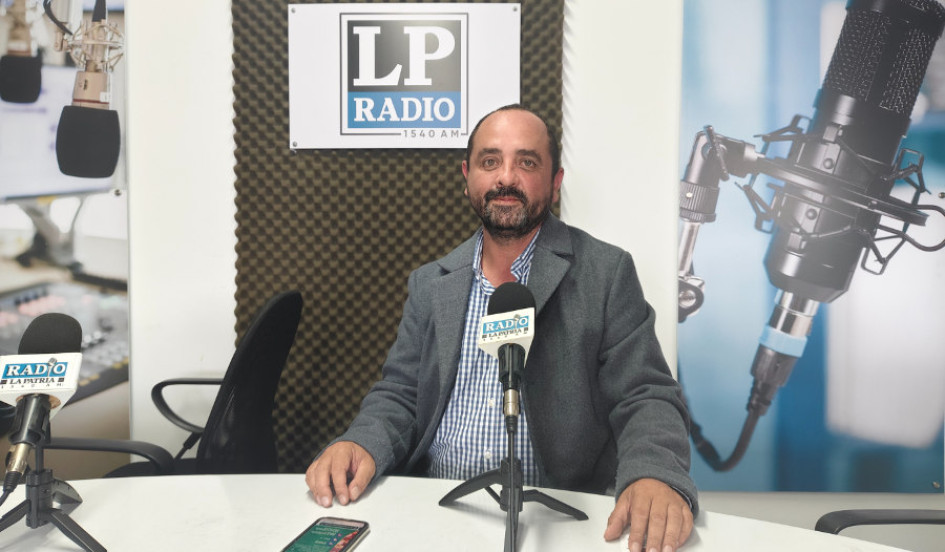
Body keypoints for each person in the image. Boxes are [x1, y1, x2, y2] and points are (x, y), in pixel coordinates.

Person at [306, 104, 697, 552]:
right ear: (467, 176)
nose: (506, 178)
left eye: (526, 162)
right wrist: (361, 442)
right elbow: (399, 393)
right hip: (437, 510)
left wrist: (653, 473)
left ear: (554, 183)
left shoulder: (605, 274)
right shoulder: (432, 282)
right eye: (490, 162)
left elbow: (645, 393)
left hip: (556, 519)